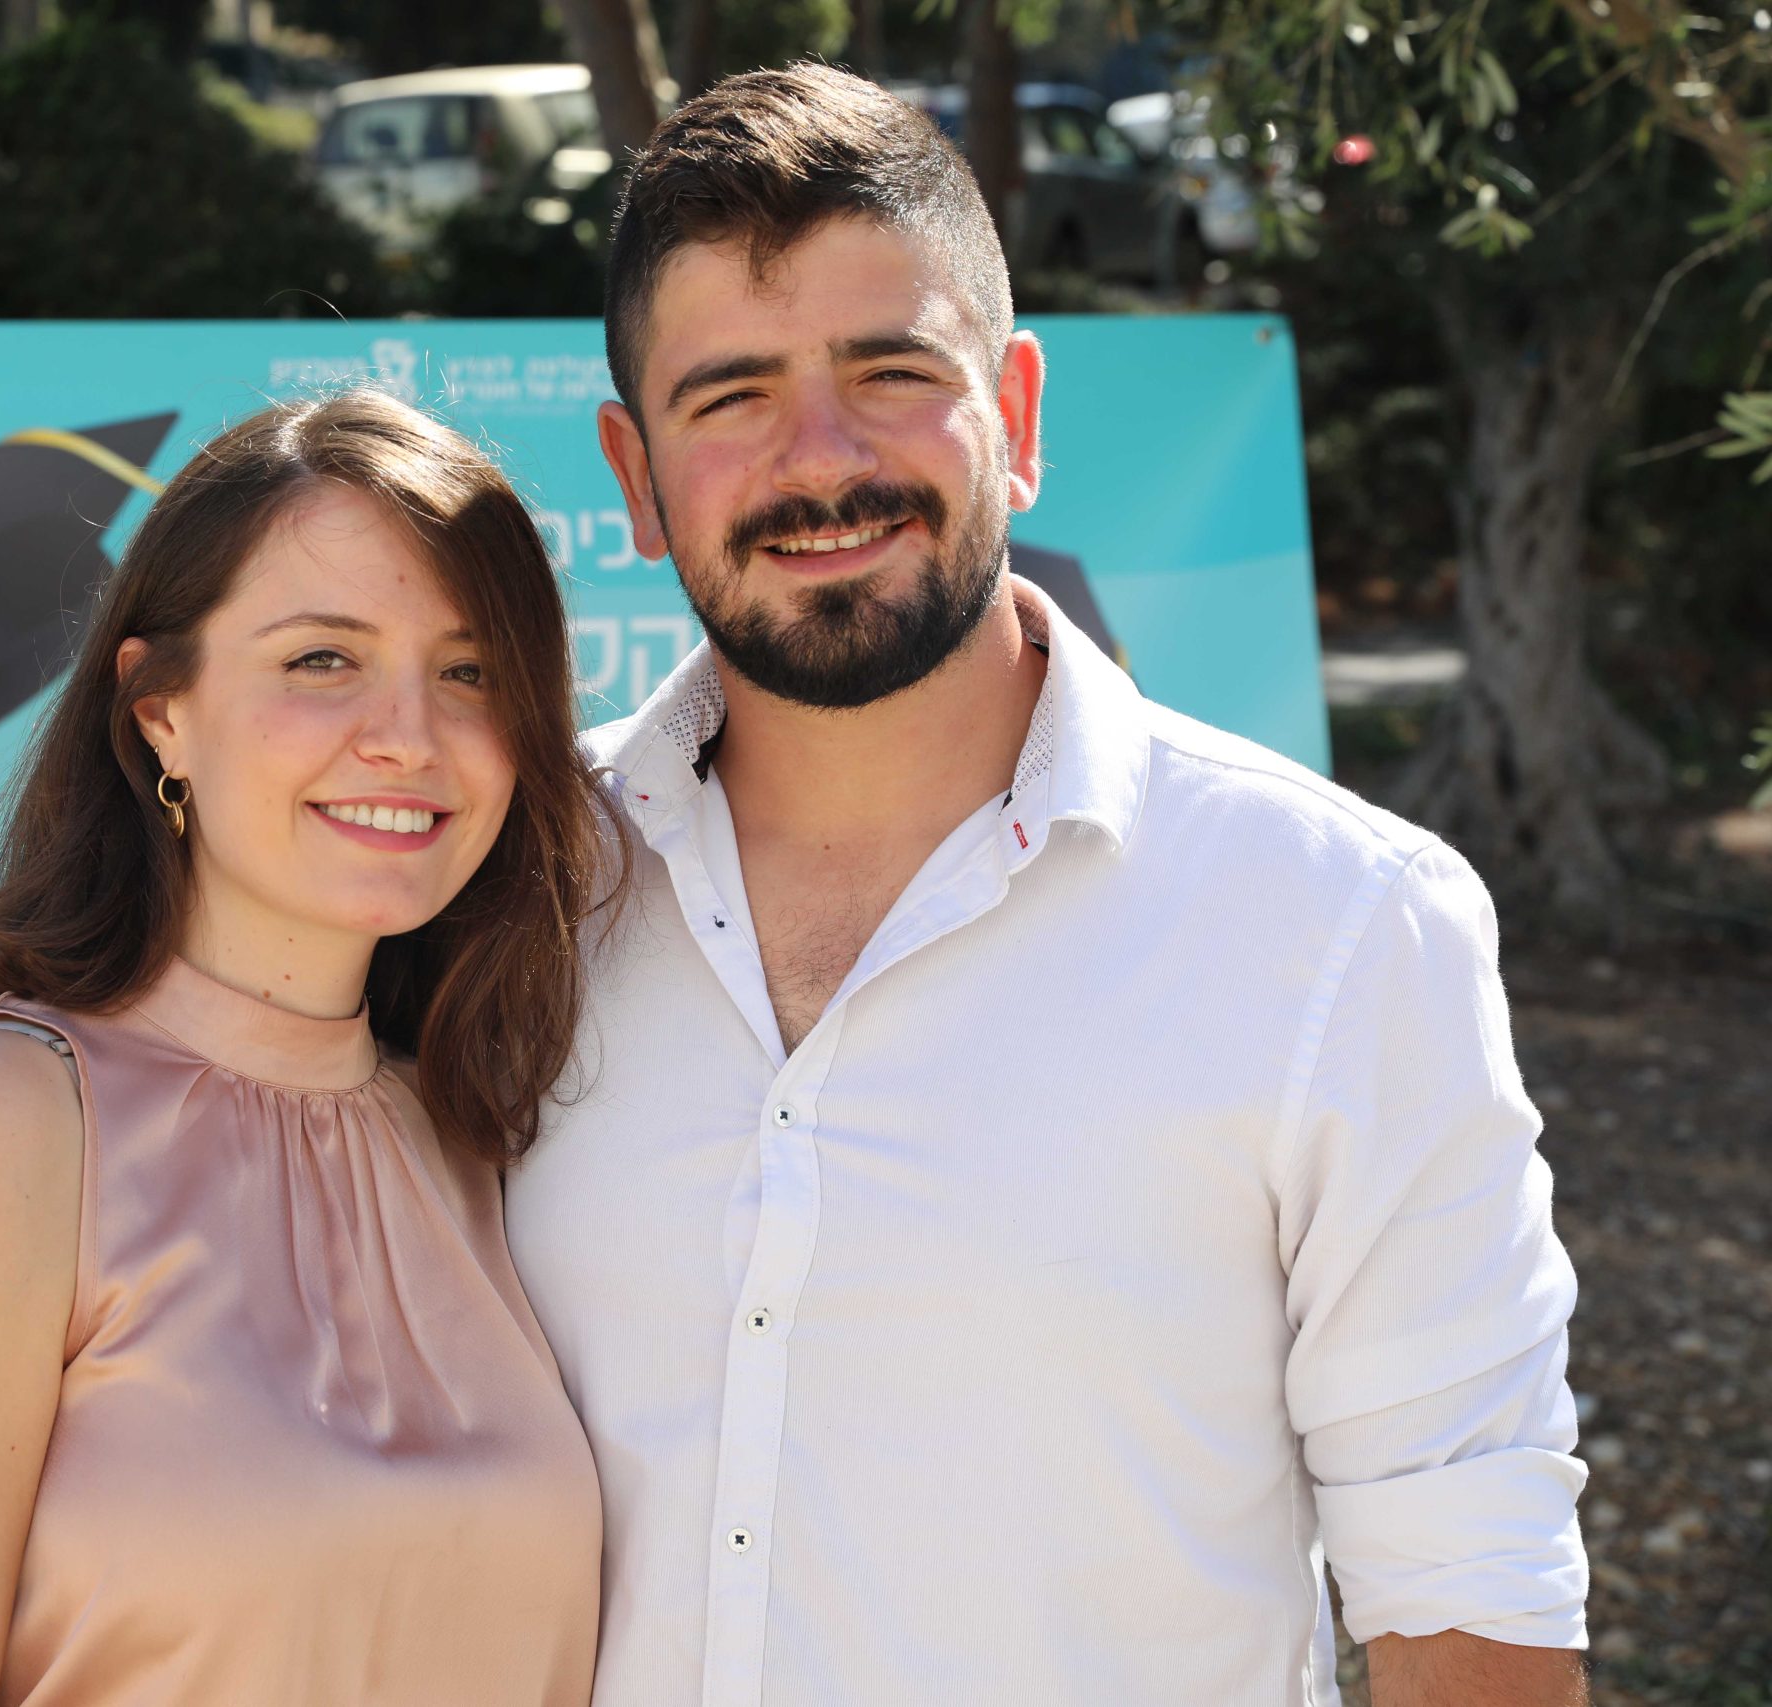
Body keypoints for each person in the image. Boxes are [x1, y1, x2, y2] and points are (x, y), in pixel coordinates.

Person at [502, 64, 1591, 1707]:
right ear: (637, 478)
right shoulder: (508, 890)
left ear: (1014, 415)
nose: (821, 460)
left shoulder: (1343, 926)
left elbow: (1472, 1596)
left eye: (891, 373)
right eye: (730, 397)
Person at [0, 389, 614, 1707]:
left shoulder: (481, 1136)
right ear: (159, 708)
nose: (408, 735)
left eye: (470, 672)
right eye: (322, 659)